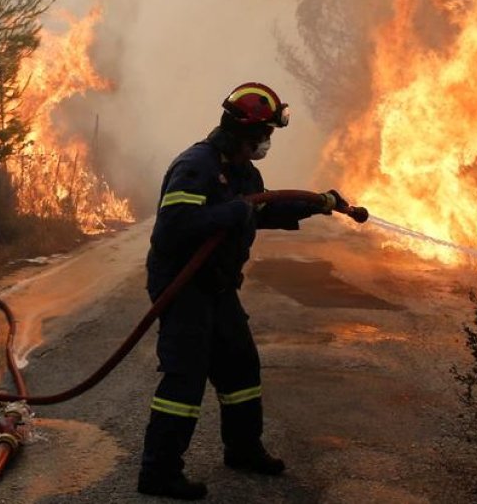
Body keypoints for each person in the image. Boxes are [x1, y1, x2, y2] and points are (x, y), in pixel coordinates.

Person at [137, 82, 347, 500]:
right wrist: (229, 212)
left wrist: (318, 203)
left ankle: (243, 449)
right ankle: (158, 473)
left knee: (240, 367)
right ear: (242, 133)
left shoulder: (244, 171)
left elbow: (263, 208)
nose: (267, 141)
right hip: (183, 286)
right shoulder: (196, 166)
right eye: (264, 134)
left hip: (217, 286)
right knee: (185, 378)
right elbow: (172, 229)